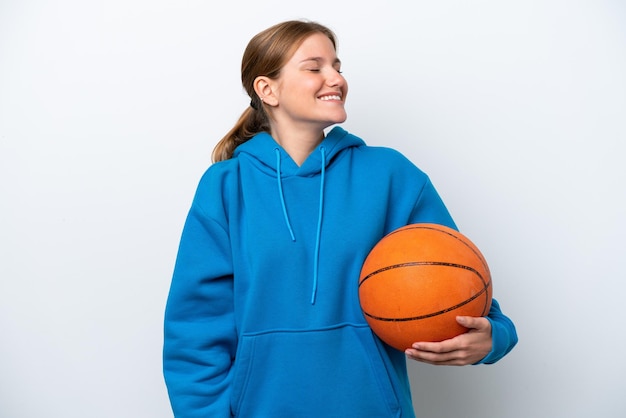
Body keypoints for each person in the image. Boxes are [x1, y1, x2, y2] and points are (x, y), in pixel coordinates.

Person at [163, 19, 518, 418]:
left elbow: (461, 285)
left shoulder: (390, 176)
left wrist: (494, 338)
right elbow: (195, 333)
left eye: (337, 66)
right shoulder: (225, 187)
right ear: (268, 89)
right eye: (315, 67)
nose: (335, 78)